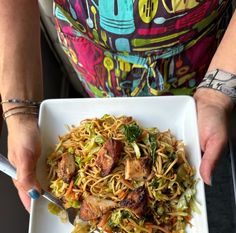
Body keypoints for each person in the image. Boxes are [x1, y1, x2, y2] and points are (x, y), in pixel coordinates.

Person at [0, 0, 235, 212]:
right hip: (95, 59)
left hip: (202, 59)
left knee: (200, 155)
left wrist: (218, 94)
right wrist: (20, 112)